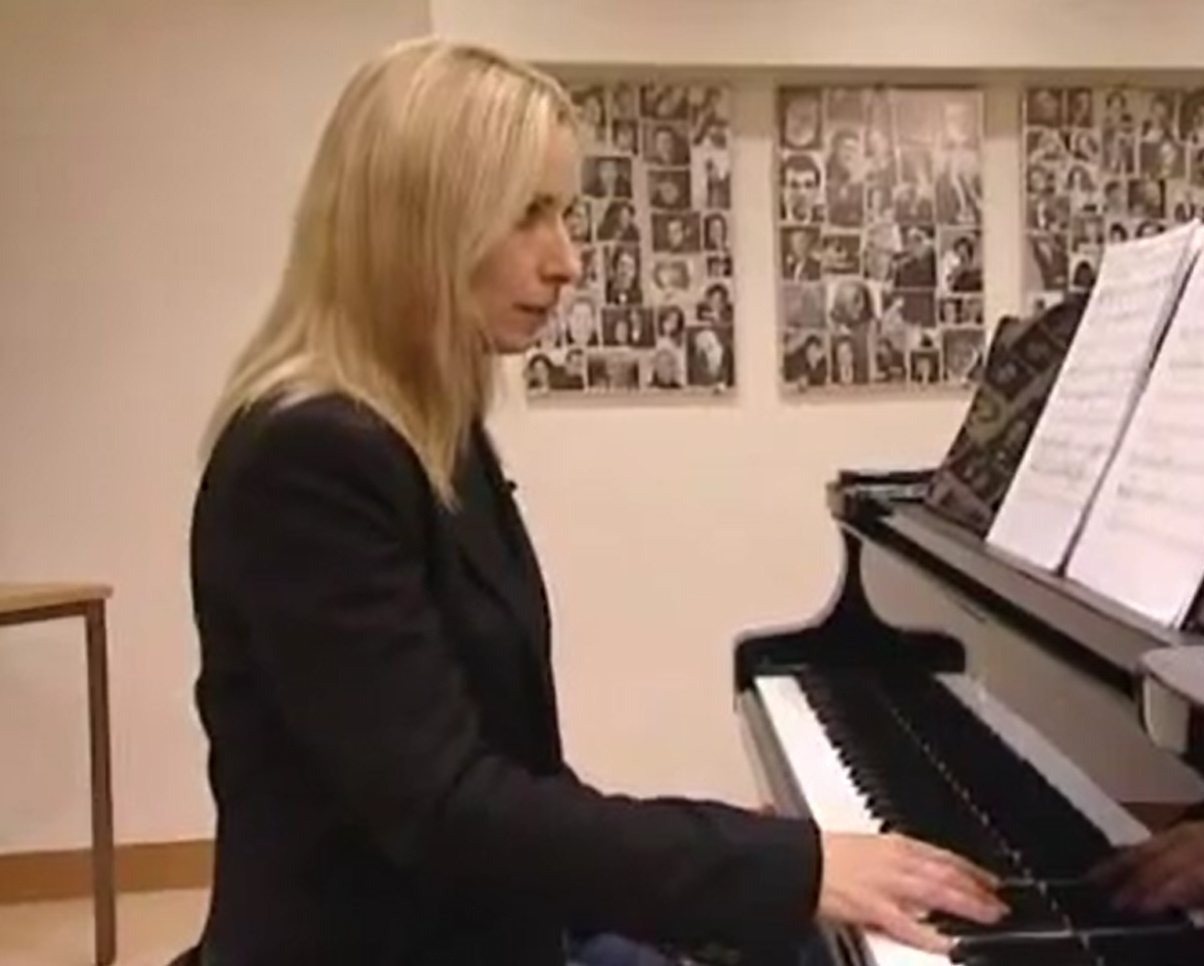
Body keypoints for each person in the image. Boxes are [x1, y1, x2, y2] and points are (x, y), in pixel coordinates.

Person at [180, 38, 1006, 966]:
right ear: (420, 219)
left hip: (491, 921)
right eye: (528, 214)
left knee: (797, 936)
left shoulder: (433, 430)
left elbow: (513, 771)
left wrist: (741, 858)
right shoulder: (310, 457)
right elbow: (448, 808)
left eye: (565, 214)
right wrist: (773, 865)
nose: (568, 261)